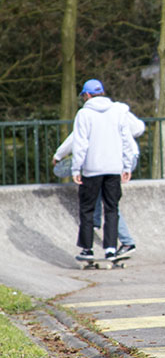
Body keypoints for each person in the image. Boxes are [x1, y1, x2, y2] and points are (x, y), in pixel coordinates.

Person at [53, 103, 144, 258]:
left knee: (103, 199)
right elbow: (138, 128)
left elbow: (77, 138)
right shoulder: (119, 110)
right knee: (109, 202)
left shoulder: (88, 114)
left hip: (107, 161)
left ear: (87, 97)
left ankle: (125, 241)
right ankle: (104, 236)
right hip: (122, 159)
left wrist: (59, 155)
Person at [71, 79, 134, 261]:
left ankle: (87, 249)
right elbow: (126, 140)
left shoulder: (84, 114)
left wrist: (76, 168)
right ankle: (111, 249)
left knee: (87, 209)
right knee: (112, 208)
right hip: (114, 168)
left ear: (87, 95)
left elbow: (80, 143)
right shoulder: (118, 111)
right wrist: (127, 165)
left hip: (92, 168)